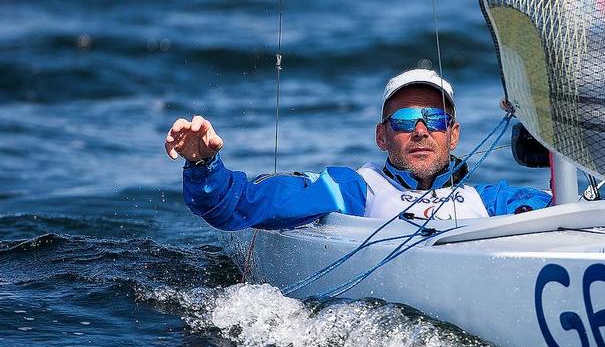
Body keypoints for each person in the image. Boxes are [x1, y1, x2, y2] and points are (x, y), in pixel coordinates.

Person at [165, 69, 551, 230]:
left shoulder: (491, 201)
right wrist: (203, 166)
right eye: (403, 121)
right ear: (382, 137)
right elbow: (239, 206)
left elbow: (564, 213)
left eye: (433, 120)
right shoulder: (352, 190)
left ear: (453, 134)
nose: (419, 131)